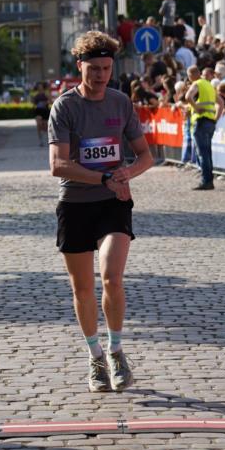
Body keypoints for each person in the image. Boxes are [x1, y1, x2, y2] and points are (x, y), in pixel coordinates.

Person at [48, 31, 153, 393]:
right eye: (93, 69)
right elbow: (58, 165)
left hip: (113, 202)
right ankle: (94, 357)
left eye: (106, 69)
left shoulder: (121, 103)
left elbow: (145, 156)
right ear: (80, 67)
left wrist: (127, 173)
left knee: (111, 277)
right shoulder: (64, 107)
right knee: (83, 289)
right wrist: (102, 175)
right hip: (75, 204)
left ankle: (117, 351)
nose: (100, 76)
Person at [186, 65, 221, 190]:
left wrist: (195, 108)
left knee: (202, 153)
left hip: (200, 122)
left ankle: (206, 181)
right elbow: (221, 103)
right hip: (210, 122)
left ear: (191, 76)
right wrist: (215, 118)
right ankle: (209, 180)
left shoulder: (197, 84)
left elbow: (188, 97)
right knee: (208, 152)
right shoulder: (209, 85)